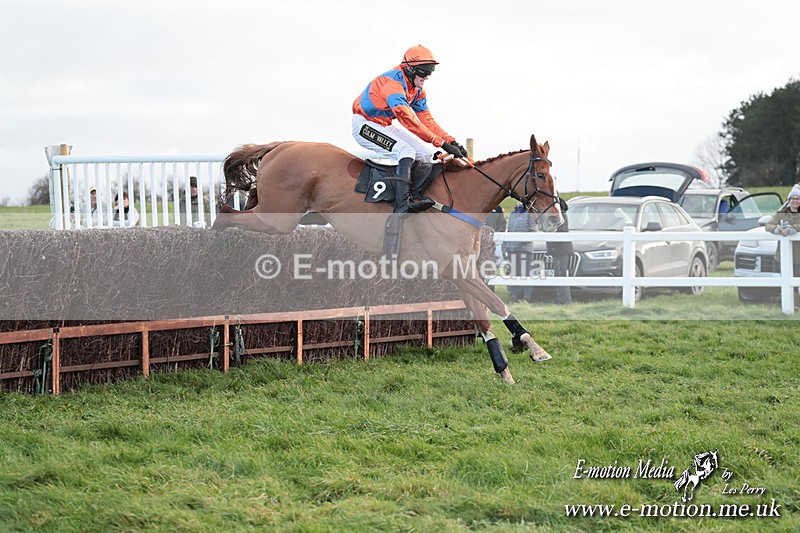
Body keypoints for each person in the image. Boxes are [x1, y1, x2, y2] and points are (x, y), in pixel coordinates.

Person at [352, 45, 468, 215]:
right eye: (424, 71)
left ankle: (415, 196)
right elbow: (408, 120)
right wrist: (440, 143)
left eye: (431, 70)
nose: (427, 76)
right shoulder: (392, 84)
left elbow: (426, 120)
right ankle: (402, 204)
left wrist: (451, 141)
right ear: (409, 69)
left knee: (425, 155)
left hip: (384, 124)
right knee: (406, 151)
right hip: (364, 125)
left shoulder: (417, 90)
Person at [503, 203, 536, 302]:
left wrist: (522, 241)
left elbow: (533, 230)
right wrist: (505, 245)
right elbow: (509, 231)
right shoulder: (513, 213)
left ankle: (527, 297)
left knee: (525, 273)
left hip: (524, 249)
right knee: (513, 273)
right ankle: (514, 296)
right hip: (512, 249)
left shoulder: (530, 213)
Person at [765, 184, 800, 276]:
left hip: (798, 257)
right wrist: (777, 229)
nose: (795, 201)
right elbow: (768, 225)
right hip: (782, 256)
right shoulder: (781, 213)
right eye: (792, 198)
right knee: (782, 281)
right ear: (789, 200)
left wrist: (794, 229)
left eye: (797, 198)